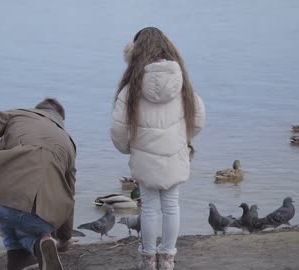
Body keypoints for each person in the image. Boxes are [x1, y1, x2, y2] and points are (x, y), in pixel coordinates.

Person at [111, 27, 205, 270]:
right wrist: (184, 140)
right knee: (172, 205)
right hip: (175, 154)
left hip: (144, 157)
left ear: (137, 50)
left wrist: (127, 149)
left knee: (150, 207)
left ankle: (148, 259)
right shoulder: (182, 81)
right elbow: (198, 118)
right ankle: (167, 259)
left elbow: (119, 128)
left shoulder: (131, 87)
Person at [0, 98, 76, 270]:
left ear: (37, 110)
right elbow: (69, 194)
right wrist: (64, 238)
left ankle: (24, 255)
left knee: (9, 215)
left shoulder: (17, 115)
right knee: (25, 223)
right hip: (43, 220)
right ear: (60, 120)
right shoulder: (69, 144)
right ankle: (42, 244)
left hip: (1, 206)